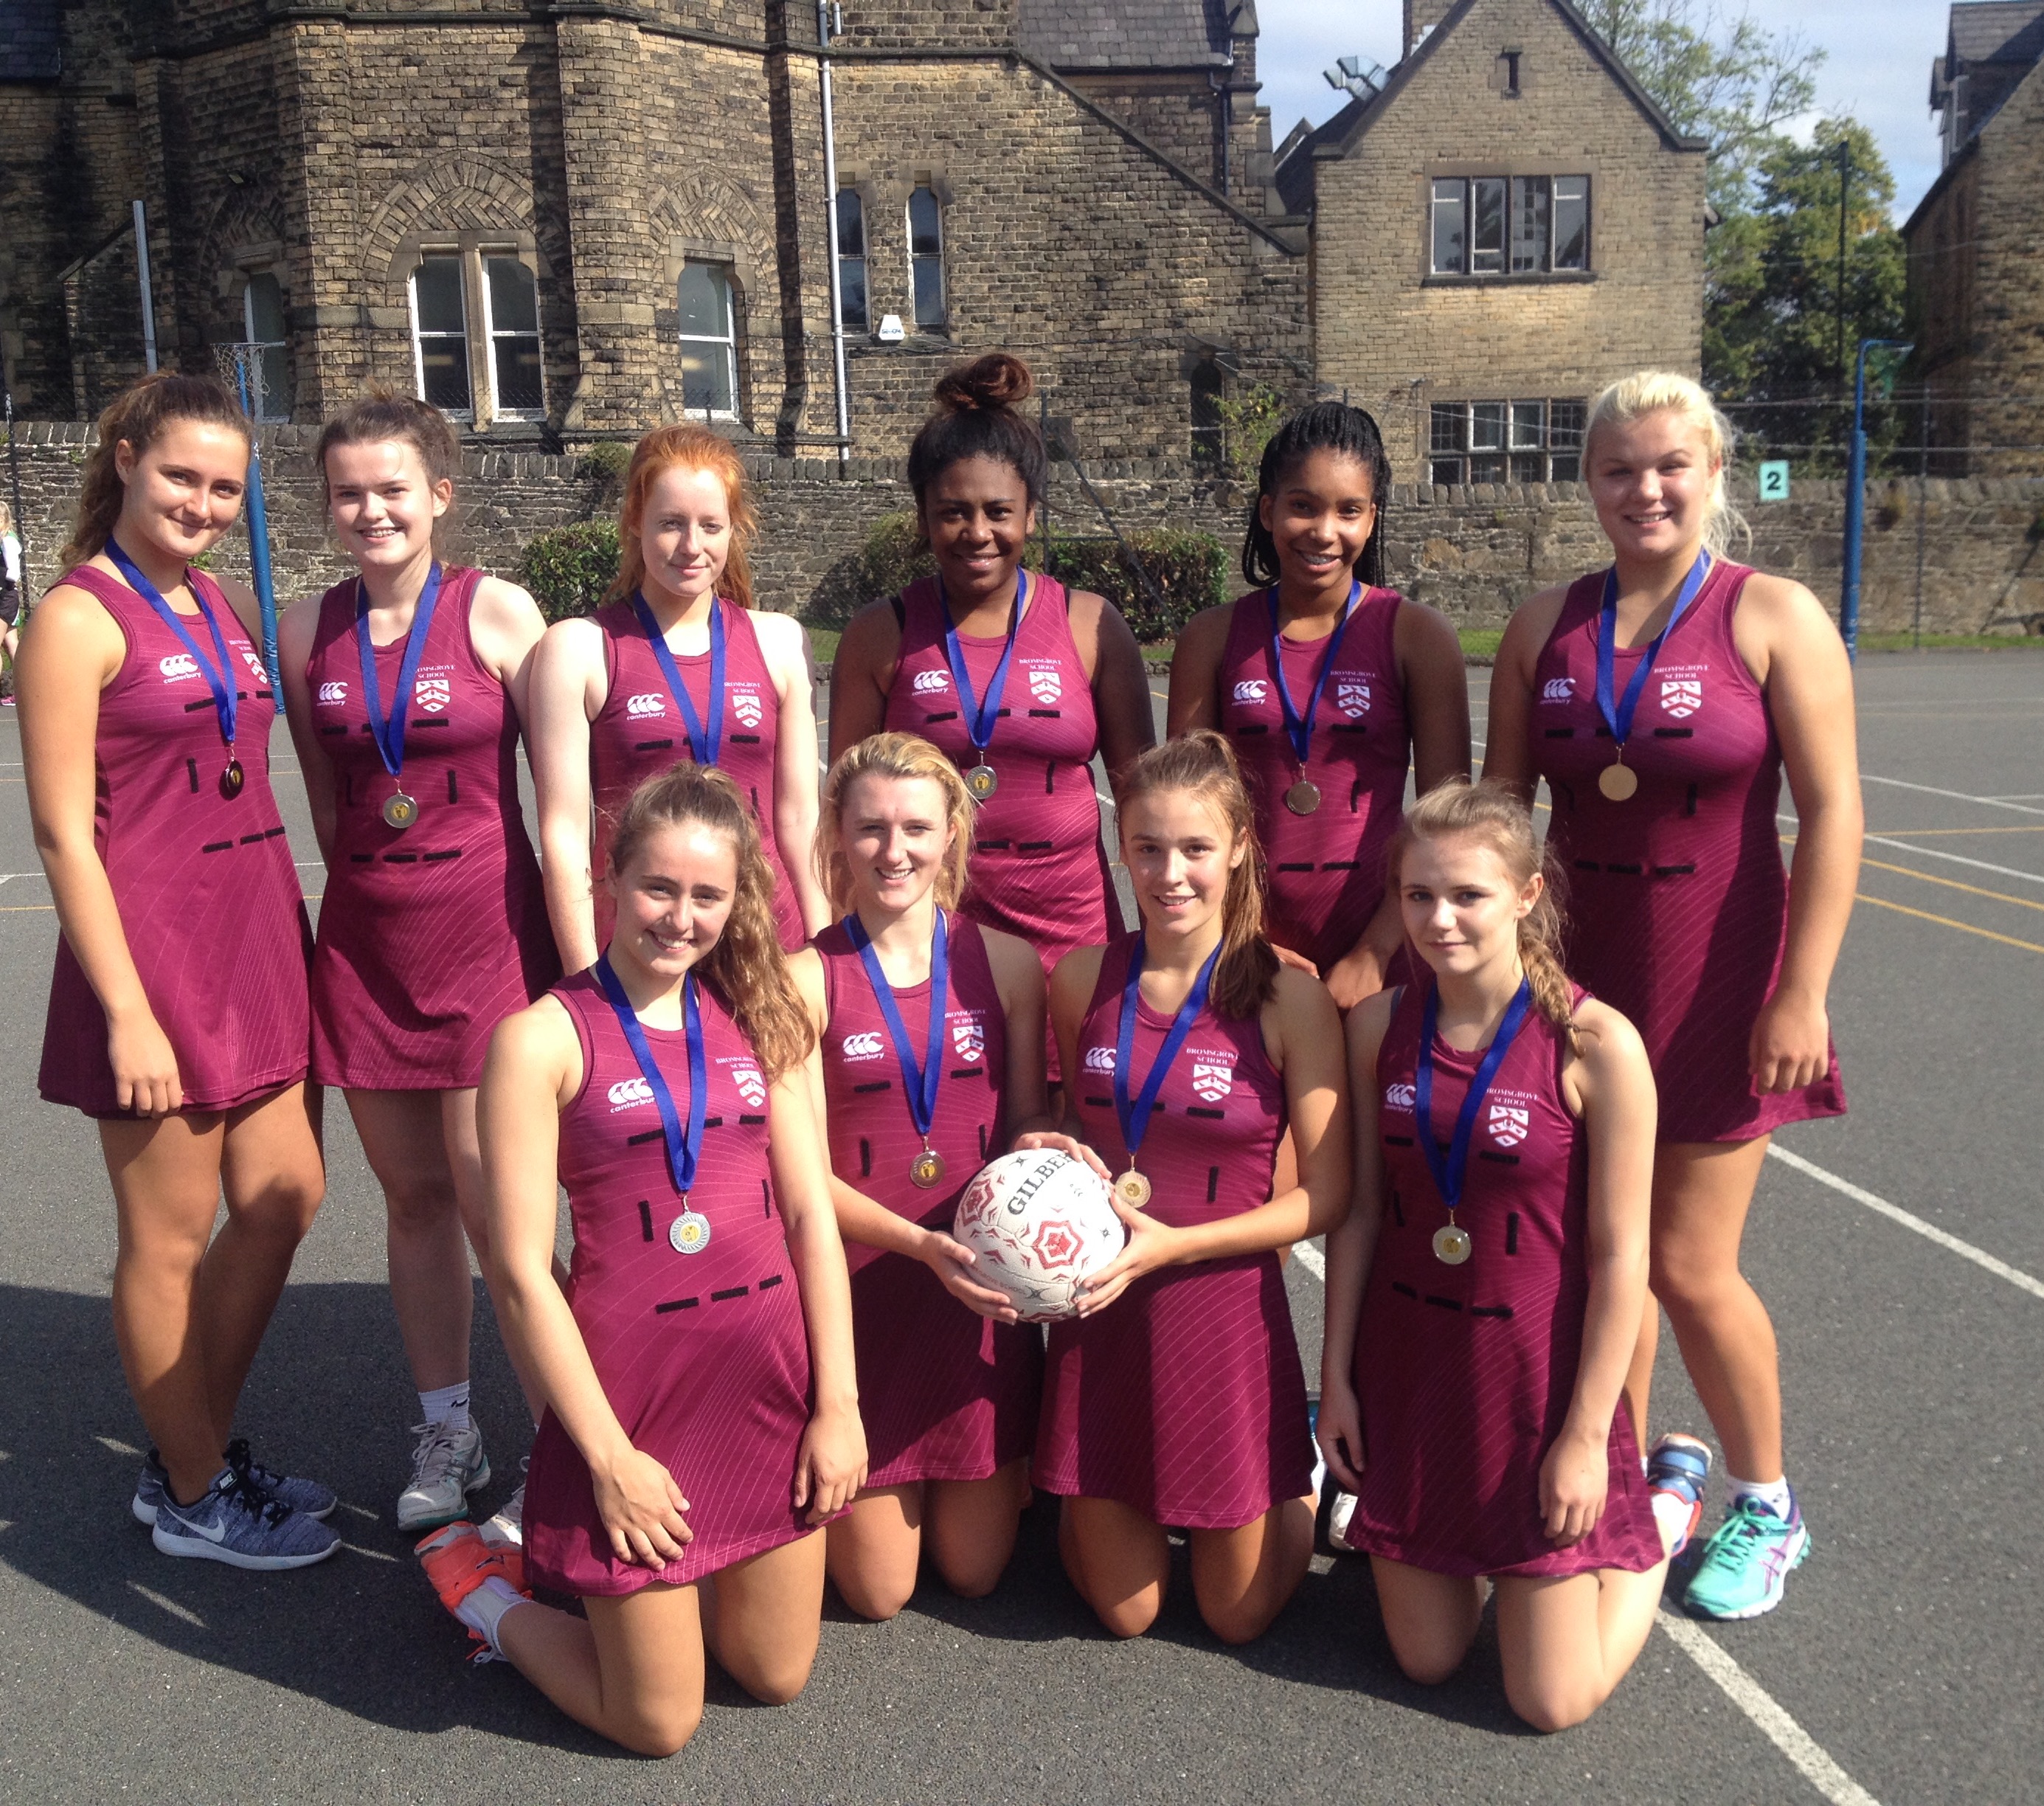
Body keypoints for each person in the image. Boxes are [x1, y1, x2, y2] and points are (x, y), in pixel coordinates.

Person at [1483, 371, 1860, 1621]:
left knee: (1689, 1264)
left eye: (1668, 467)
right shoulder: (1545, 627)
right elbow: (1499, 822)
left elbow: (1837, 812)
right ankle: (1639, 1471)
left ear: (1712, 474)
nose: (1643, 489)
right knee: (1600, 1264)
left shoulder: (1774, 616)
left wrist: (1801, 991)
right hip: (1576, 994)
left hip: (1716, 984)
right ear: (1584, 481)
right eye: (1616, 469)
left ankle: (1767, 1498)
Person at [419, 764, 865, 1757]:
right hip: (635, 1403)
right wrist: (607, 1459)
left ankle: (657, 1601)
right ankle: (484, 1594)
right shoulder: (539, 1040)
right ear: (608, 880)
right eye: (659, 888)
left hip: (761, 1387)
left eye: (707, 895)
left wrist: (836, 1405)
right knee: (658, 1722)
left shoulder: (760, 1013)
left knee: (774, 1674)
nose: (679, 916)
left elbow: (809, 1217)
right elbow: (524, 1271)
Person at [22, 371, 335, 1568]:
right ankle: (196, 1487)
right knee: (165, 1236)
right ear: (124, 458)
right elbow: (62, 831)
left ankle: (186, 1438)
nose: (202, 501)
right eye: (181, 476)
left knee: (285, 1199)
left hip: (256, 940)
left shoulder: (216, 600)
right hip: (151, 963)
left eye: (224, 486)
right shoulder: (77, 618)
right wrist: (128, 1013)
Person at [1320, 779, 1667, 1731]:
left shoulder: (1595, 1043)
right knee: (1427, 1661)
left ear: (1525, 894)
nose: (1438, 919)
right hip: (1412, 1370)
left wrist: (1585, 1438)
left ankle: (1653, 1529)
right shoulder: (1375, 1027)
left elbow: (1619, 1259)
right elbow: (1355, 1218)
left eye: (1466, 895)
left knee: (1548, 1702)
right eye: (1416, 895)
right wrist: (1337, 1381)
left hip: (1531, 1385)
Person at [277, 393, 560, 1536]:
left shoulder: (497, 613)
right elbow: (328, 797)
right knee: (413, 1202)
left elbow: (566, 795)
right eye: (349, 491)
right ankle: (449, 1424)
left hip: (487, 940)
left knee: (502, 1213)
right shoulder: (307, 631)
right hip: (370, 948)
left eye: (392, 488)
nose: (370, 510)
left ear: (439, 494)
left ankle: (561, 1443)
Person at [1028, 730, 1348, 1643]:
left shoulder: (1290, 993)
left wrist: (1176, 1245)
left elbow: (1324, 1196)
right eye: (1147, 847)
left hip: (1221, 1313)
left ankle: (1294, 1477)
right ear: (1119, 846)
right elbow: (1057, 1119)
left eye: (1196, 849)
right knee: (1124, 1616)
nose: (1170, 874)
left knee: (1237, 1616)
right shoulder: (1083, 977)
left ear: (1239, 847)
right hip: (1102, 1318)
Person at [828, 353, 1154, 1078]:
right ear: (923, 516)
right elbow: (840, 813)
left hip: (1073, 931)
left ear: (1031, 515)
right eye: (952, 512)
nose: (976, 532)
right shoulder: (880, 634)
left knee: (1079, 1135)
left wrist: (1168, 942)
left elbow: (1144, 802)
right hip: (933, 930)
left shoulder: (1088, 626)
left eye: (997, 512)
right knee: (952, 1120)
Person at [789, 732, 1050, 1619]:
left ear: (951, 835)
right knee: (876, 1594)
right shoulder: (803, 979)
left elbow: (1021, 1126)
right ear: (836, 836)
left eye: (914, 828)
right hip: (864, 1293)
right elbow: (799, 1180)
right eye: (868, 829)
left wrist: (1051, 1158)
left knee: (974, 1572)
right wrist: (918, 1244)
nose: (892, 852)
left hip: (977, 1297)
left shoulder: (1007, 963)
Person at [1168, 402, 1468, 1008]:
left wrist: (1375, 951)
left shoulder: (1415, 635)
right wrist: (1235, 934)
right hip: (1241, 943)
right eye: (1303, 505)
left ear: (1371, 518)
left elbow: (1446, 823)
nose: (1324, 530)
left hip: (1384, 943)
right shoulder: (1213, 636)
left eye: (1348, 511)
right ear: (1267, 511)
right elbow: (1183, 813)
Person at [530, 425, 827, 973]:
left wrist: (823, 944)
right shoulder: (579, 648)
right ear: (634, 522)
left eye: (711, 526)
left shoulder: (780, 641)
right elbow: (565, 833)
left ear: (733, 530)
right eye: (670, 523)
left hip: (765, 935)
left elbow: (799, 816)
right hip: (641, 943)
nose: (692, 546)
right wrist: (583, 977)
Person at [1, 499, 24, 698]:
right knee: (12, 645)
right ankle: (22, 691)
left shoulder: (8, 540)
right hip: (6, 595)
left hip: (5, 596)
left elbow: (13, 573)